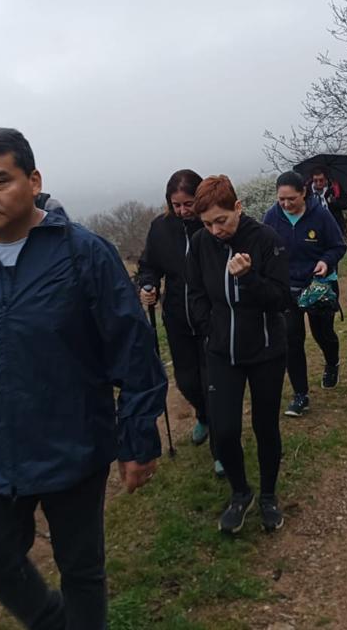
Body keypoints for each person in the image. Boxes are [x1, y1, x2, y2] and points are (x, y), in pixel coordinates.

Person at [0, 127, 167, 630]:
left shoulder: (82, 254)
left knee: (82, 568)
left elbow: (131, 347)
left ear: (33, 181)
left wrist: (138, 437)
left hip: (73, 442)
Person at [185, 175, 290, 534]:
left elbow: (281, 299)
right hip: (221, 351)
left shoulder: (266, 240)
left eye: (221, 221)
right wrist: (207, 328)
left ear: (238, 208)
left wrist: (248, 279)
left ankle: (268, 496)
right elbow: (195, 291)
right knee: (225, 431)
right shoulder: (200, 244)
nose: (215, 230)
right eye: (207, 223)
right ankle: (240, 493)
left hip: (265, 351)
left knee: (265, 426)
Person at [136, 169, 221, 474]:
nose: (183, 210)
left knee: (213, 381)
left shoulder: (212, 224)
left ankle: (221, 449)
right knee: (187, 381)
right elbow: (148, 265)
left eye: (188, 203)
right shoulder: (161, 228)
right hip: (176, 316)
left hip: (211, 316)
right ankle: (203, 416)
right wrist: (147, 285)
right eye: (177, 204)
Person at [263, 171, 347, 416]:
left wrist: (325, 261)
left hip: (318, 285)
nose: (286, 204)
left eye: (292, 199)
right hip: (286, 288)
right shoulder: (271, 217)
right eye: (282, 199)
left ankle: (332, 362)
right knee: (291, 339)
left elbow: (338, 246)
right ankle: (301, 395)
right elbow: (263, 248)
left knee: (323, 334)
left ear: (304, 193)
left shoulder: (320, 215)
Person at [307, 165, 347, 235]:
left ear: (326, 178)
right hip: (316, 228)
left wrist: (335, 202)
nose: (318, 183)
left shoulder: (334, 187)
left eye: (321, 180)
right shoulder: (307, 191)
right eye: (315, 180)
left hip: (335, 225)